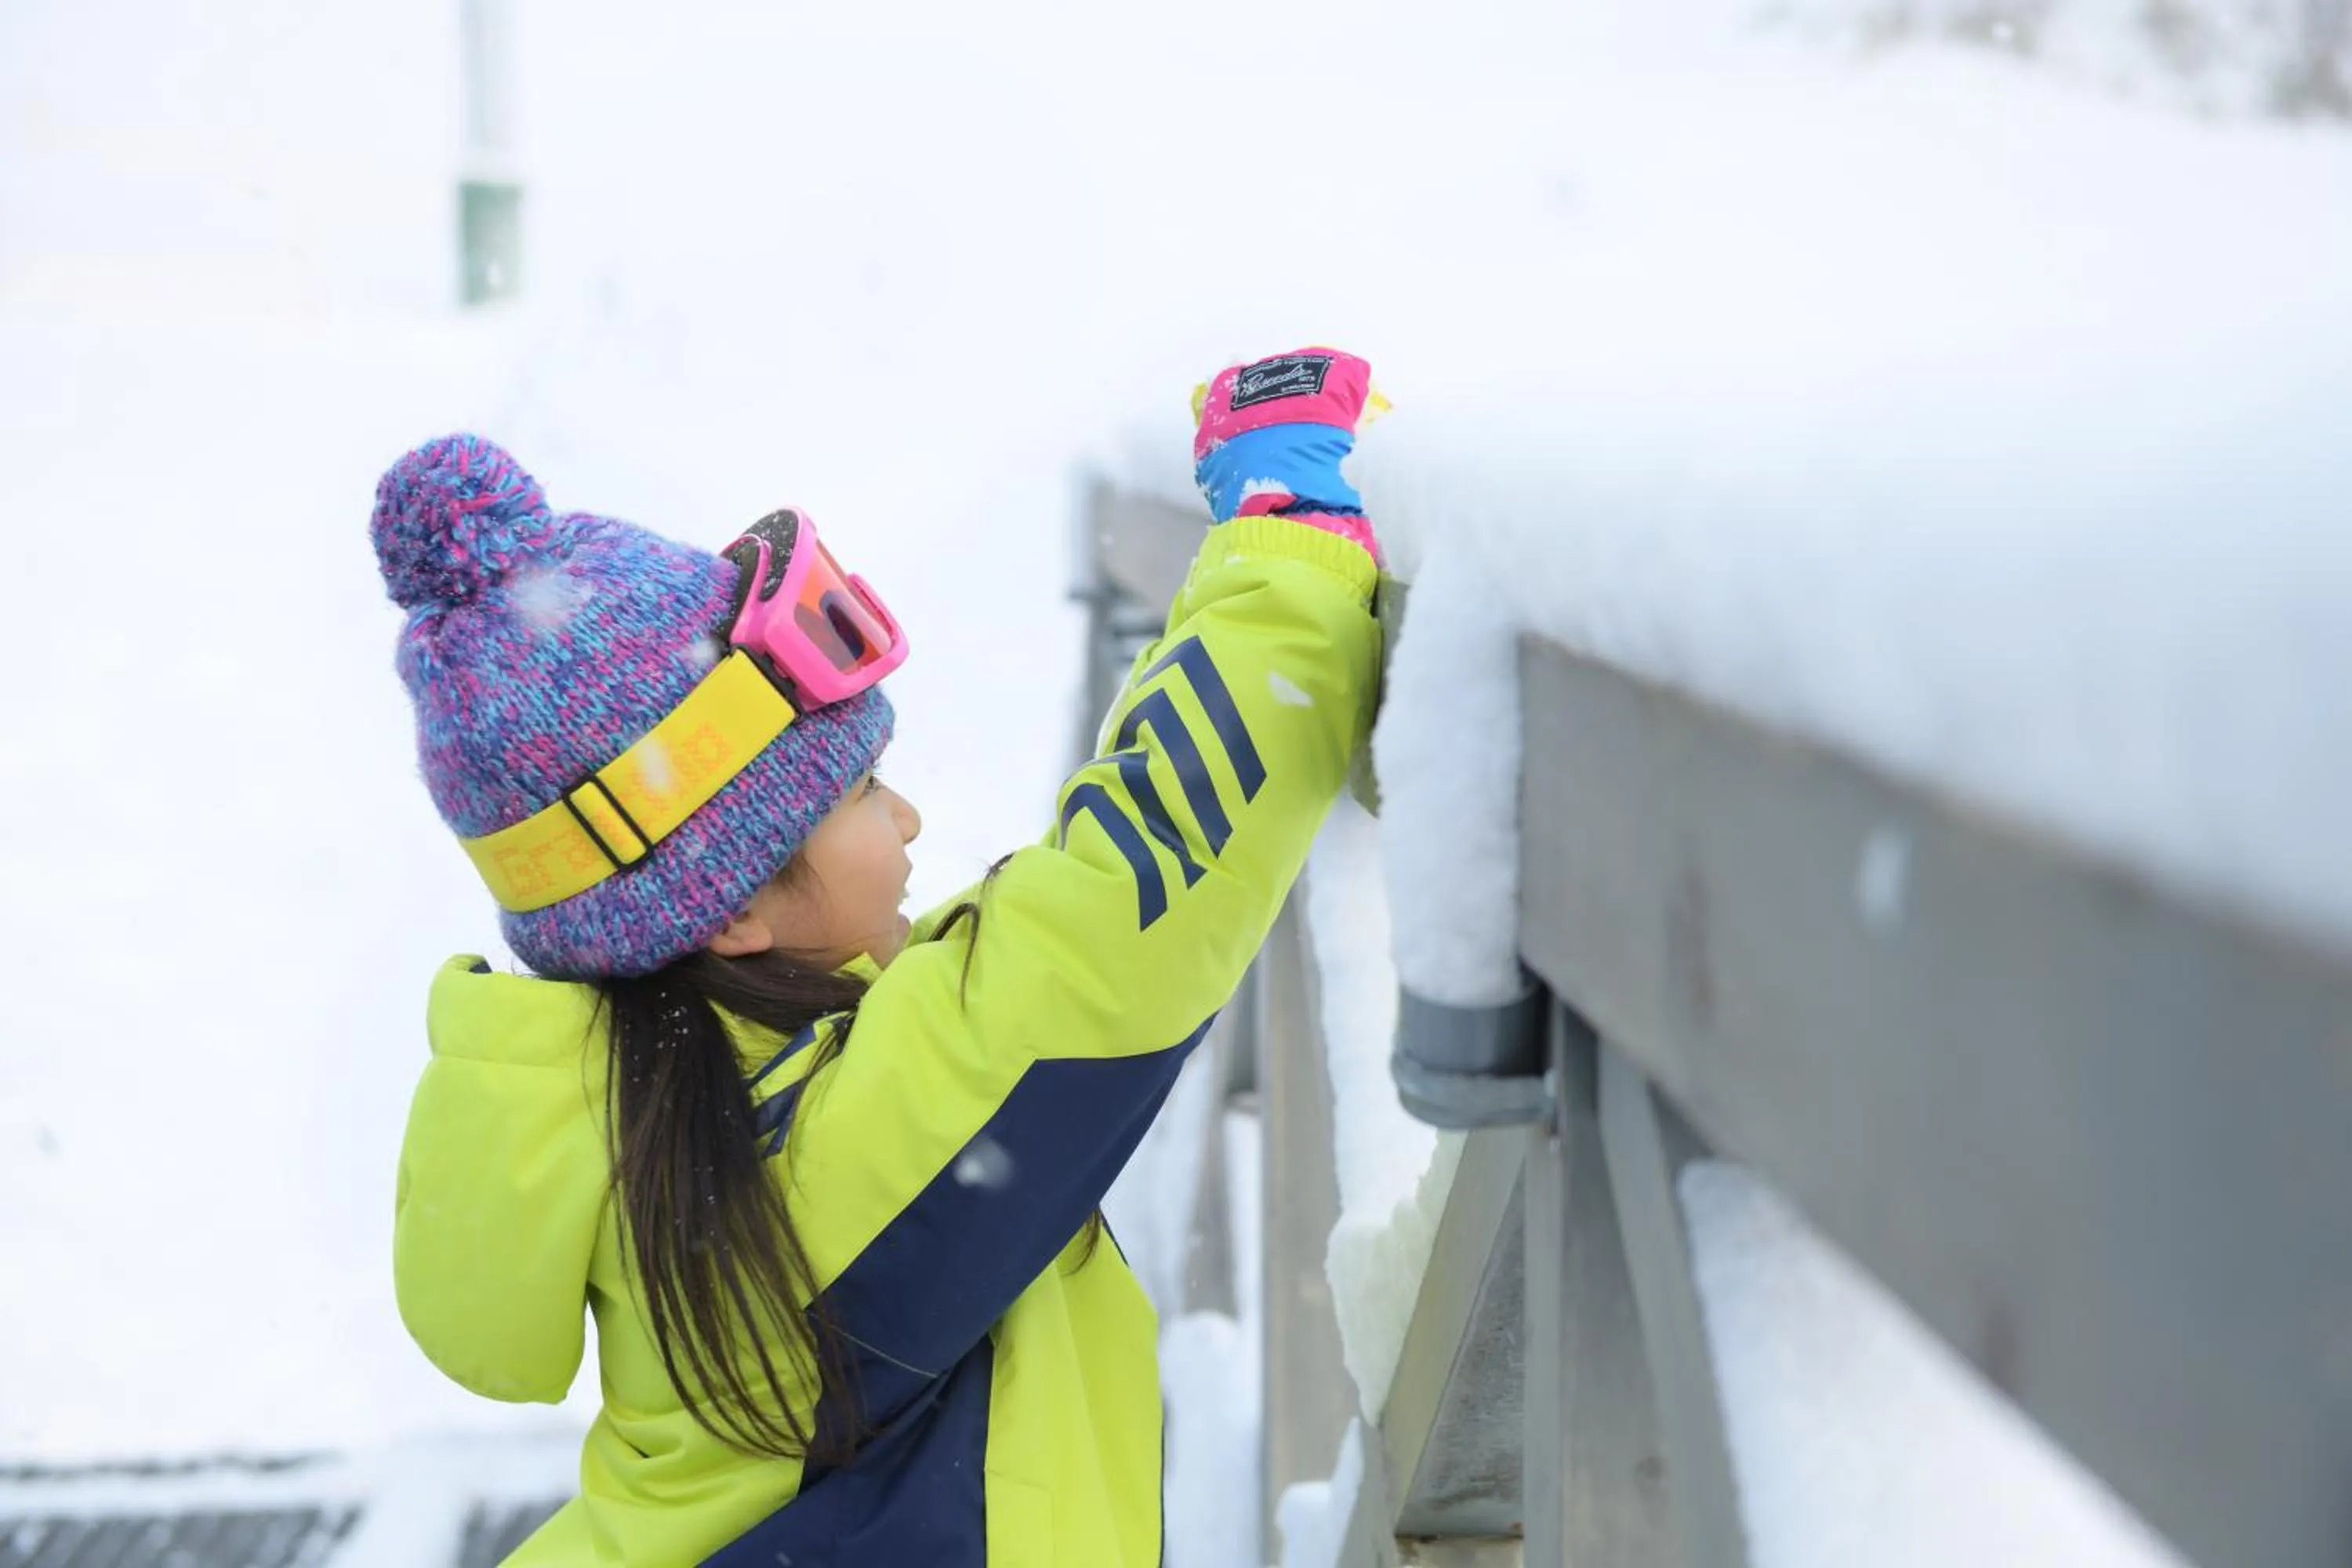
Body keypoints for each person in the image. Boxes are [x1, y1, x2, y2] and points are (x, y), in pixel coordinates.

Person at [379, 348, 1385, 1566]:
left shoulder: (676, 1117)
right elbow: (1119, 906)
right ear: (731, 910)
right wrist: (1287, 549)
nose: (906, 820)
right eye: (859, 790)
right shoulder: (816, 1167)